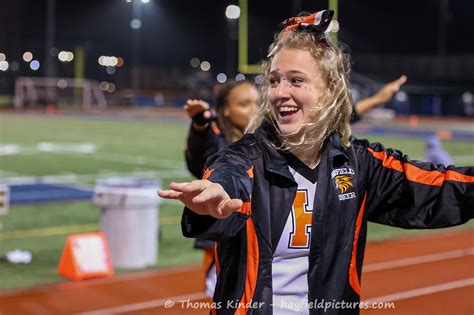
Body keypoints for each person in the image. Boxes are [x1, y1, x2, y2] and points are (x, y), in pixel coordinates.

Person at [162, 10, 473, 314]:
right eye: (274, 81)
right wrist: (216, 194)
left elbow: (439, 188)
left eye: (296, 81)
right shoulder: (243, 157)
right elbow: (227, 177)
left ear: (331, 91)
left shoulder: (359, 163)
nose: (280, 92)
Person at [184, 80, 260, 297]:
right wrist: (200, 123)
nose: (255, 109)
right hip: (225, 246)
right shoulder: (219, 145)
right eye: (245, 104)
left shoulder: (268, 143)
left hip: (261, 243)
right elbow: (200, 150)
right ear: (226, 111)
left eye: (258, 102)